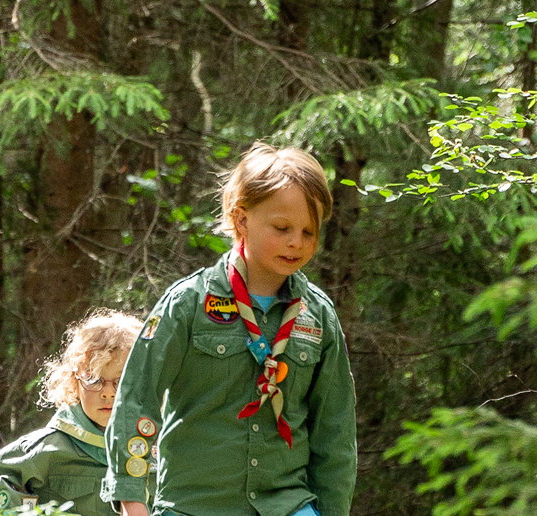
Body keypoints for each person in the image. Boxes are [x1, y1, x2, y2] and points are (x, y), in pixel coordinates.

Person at [102, 144, 357, 516]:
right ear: (241, 220)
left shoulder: (317, 316)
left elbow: (334, 432)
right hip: (194, 506)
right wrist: (132, 501)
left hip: (288, 505)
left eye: (308, 231)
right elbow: (136, 399)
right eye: (282, 228)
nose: (296, 243)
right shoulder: (188, 304)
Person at [0, 309, 142, 516]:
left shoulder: (163, 448)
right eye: (93, 379)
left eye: (121, 382)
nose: (107, 393)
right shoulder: (50, 448)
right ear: (74, 382)